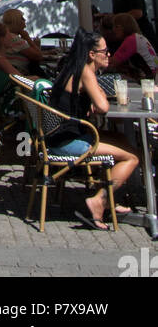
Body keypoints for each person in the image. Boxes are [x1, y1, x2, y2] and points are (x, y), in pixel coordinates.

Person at [48, 27, 139, 230]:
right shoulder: (85, 72)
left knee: (123, 141)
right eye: (105, 51)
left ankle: (111, 199)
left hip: (61, 135)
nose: (109, 55)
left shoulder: (72, 67)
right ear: (91, 54)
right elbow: (103, 106)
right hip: (67, 143)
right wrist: (96, 90)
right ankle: (99, 200)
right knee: (132, 157)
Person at [106, 13, 158, 78]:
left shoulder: (131, 40)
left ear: (120, 27)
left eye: (114, 27)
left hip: (151, 78)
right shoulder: (138, 37)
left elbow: (112, 62)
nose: (113, 31)